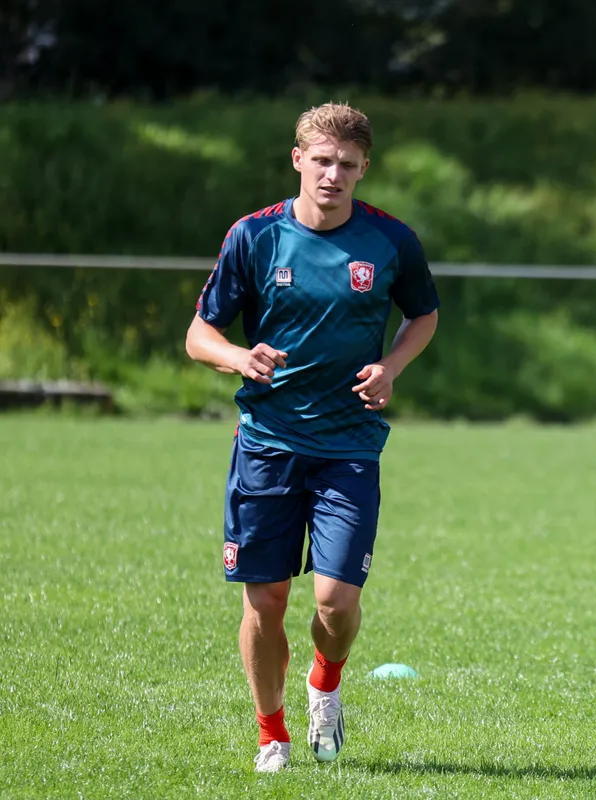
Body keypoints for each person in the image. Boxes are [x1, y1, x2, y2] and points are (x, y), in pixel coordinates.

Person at [185, 102, 440, 773]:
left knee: (335, 601)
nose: (333, 175)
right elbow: (198, 335)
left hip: (349, 445)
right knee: (266, 601)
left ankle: (325, 683)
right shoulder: (254, 236)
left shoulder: (390, 242)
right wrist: (240, 358)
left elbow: (423, 316)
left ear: (363, 169)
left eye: (348, 165)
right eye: (322, 160)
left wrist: (392, 366)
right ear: (298, 158)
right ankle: (273, 735)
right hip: (267, 442)